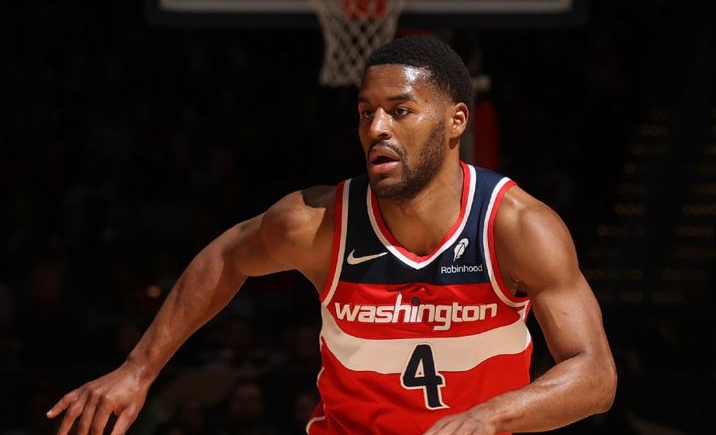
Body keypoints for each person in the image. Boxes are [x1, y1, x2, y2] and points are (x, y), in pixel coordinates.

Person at [47, 36, 616, 435]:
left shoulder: (516, 227)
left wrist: (491, 417)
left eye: (400, 110)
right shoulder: (317, 223)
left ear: (456, 122)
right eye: (366, 112)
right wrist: (138, 370)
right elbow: (227, 255)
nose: (377, 129)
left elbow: (595, 376)